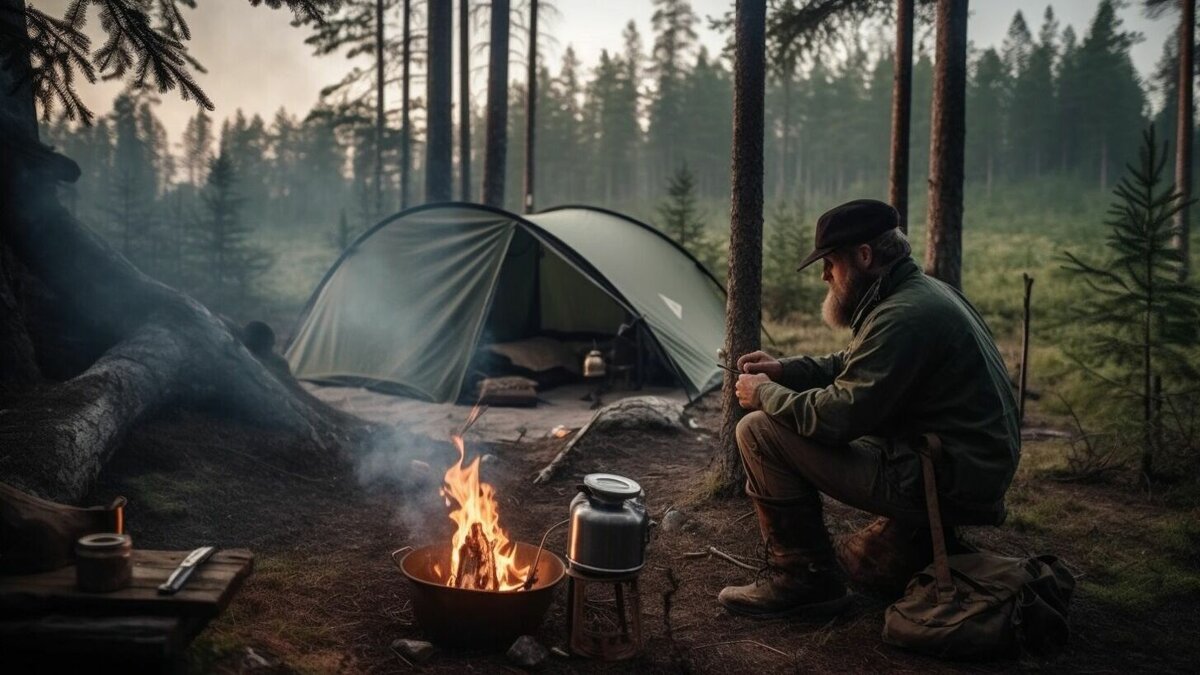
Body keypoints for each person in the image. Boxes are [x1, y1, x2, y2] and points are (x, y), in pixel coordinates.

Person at [718, 199, 1020, 618]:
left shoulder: (903, 315)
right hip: (962, 468)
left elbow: (835, 419)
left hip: (945, 480)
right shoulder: (919, 294)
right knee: (863, 552)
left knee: (757, 431)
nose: (825, 274)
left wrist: (766, 393)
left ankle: (803, 580)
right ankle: (907, 545)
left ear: (864, 256)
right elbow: (855, 362)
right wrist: (785, 370)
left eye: (831, 262)